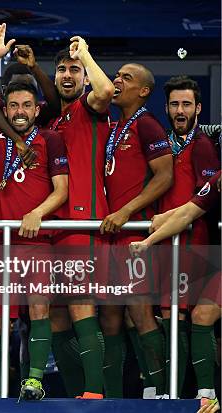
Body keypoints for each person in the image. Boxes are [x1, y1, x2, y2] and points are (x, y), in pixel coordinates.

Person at [0, 23, 69, 400]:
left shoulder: (51, 138)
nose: (20, 111)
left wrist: (36, 213)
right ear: (6, 107)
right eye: (13, 105)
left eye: (27, 105)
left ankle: (34, 381)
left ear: (36, 107)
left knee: (40, 309)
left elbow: (61, 191)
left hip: (36, 239)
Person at [97, 63, 174, 398]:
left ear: (144, 91)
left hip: (135, 236)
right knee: (110, 320)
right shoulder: (116, 126)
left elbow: (164, 177)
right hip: (111, 237)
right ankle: (112, 398)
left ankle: (158, 394)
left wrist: (127, 211)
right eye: (117, 75)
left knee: (141, 315)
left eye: (126, 78)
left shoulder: (148, 125)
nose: (117, 80)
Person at [47, 35, 115, 399]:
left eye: (74, 70)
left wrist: (85, 54)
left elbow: (105, 90)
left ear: (84, 77)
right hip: (55, 227)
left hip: (83, 222)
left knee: (80, 305)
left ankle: (95, 393)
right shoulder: (56, 118)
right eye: (62, 69)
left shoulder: (89, 107)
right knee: (58, 314)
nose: (68, 75)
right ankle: (76, 393)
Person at [130, 171, 221, 406]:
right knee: (202, 315)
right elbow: (188, 212)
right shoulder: (218, 179)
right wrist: (148, 241)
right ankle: (207, 397)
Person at [156, 75, 219, 396]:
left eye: (187, 104)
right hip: (166, 246)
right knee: (170, 317)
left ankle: (200, 392)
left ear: (198, 108)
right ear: (166, 108)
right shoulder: (162, 145)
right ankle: (173, 393)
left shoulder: (204, 146)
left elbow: (202, 202)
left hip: (194, 245)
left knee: (189, 316)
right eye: (175, 104)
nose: (180, 110)